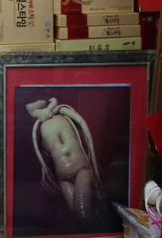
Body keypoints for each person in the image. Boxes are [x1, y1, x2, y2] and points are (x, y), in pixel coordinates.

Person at [26, 97, 106, 229]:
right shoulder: (40, 128)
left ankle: (96, 237)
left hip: (81, 170)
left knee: (82, 214)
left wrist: (52, 105)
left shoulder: (62, 114)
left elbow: (82, 126)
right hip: (63, 179)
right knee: (76, 216)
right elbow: (29, 107)